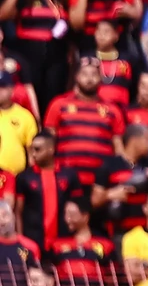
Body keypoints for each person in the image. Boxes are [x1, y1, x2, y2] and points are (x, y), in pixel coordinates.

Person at [43, 59, 126, 191]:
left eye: (94, 74)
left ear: (100, 78)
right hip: (66, 178)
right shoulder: (58, 105)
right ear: (76, 76)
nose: (89, 79)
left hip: (100, 183)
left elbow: (118, 147)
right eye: (85, 74)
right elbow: (48, 142)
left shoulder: (113, 110)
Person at [0, 70, 36, 175]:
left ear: (12, 89)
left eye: (2, 87)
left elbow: (32, 153)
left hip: (16, 177)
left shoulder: (25, 116)